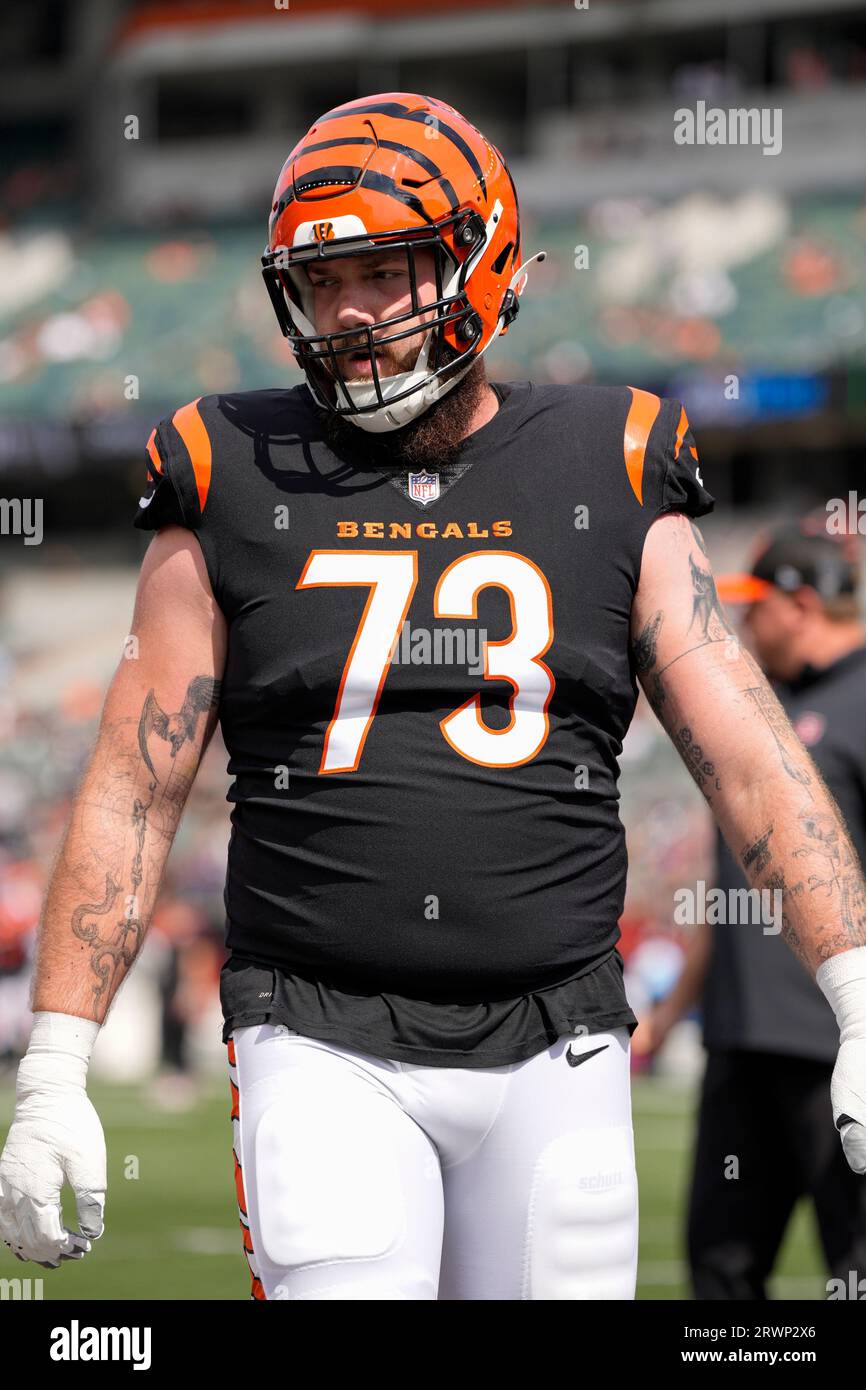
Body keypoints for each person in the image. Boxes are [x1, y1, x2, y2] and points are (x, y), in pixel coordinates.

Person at [1, 94, 864, 1302]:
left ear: (481, 258)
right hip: (315, 1029)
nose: (348, 312)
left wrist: (855, 993)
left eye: (385, 269)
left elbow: (745, 749)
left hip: (560, 1033)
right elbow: (133, 786)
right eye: (321, 281)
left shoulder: (608, 459)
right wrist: (52, 1062)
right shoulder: (225, 469)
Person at [635, 521, 866, 1298]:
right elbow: (730, 898)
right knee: (721, 1276)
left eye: (755, 604)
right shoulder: (753, 722)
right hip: (740, 1043)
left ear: (800, 603)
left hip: (837, 1049)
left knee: (857, 1267)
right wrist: (675, 1015)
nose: (740, 623)